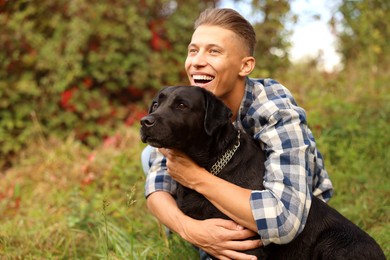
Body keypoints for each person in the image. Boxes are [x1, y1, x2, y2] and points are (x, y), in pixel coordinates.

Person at [142, 8, 333, 260]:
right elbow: (158, 184)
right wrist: (190, 229)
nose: (197, 61)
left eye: (214, 51)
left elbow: (285, 220)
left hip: (301, 224)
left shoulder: (275, 110)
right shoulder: (191, 105)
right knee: (150, 155)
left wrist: (195, 177)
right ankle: (208, 238)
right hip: (225, 199)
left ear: (245, 66)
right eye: (193, 50)